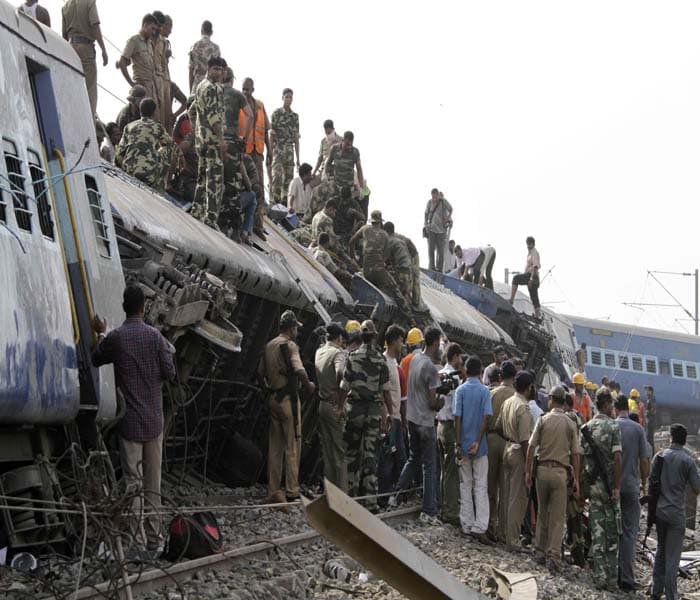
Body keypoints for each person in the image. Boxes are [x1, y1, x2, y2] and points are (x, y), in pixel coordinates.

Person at [91, 285, 176, 555]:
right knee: (153, 483)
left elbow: (96, 358)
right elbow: (170, 372)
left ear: (124, 306)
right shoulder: (156, 338)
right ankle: (154, 539)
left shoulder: (116, 338)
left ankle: (136, 543)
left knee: (133, 484)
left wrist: (100, 333)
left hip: (130, 424)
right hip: (154, 421)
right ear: (142, 308)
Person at [258, 310, 315, 504]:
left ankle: (273, 489)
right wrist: (309, 385)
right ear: (291, 328)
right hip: (288, 400)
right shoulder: (290, 346)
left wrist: (269, 391)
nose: (297, 330)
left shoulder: (268, 345)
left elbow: (260, 373)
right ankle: (291, 490)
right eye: (296, 327)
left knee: (275, 447)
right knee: (292, 446)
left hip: (273, 398)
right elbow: (299, 369)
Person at [525, 386, 581, 572]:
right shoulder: (570, 423)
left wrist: (528, 472)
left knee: (542, 513)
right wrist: (577, 479)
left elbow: (531, 447)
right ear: (563, 401)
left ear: (550, 399)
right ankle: (553, 556)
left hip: (541, 471)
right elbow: (576, 454)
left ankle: (539, 551)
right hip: (560, 472)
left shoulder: (543, 420)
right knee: (557, 518)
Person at [341, 320, 392, 512]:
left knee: (351, 454)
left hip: (354, 411)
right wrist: (390, 413)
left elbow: (344, 386)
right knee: (370, 455)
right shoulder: (380, 360)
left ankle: (350, 497)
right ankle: (370, 501)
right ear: (375, 336)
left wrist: (339, 407)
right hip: (372, 412)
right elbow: (385, 391)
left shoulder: (352, 357)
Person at [393, 327, 442, 523]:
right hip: (425, 422)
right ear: (436, 343)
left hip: (412, 419)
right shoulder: (430, 367)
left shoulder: (414, 361)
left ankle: (394, 496)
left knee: (413, 458)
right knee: (429, 466)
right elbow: (432, 402)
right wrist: (442, 401)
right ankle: (429, 510)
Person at [650, 423, 700, 600]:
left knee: (660, 550)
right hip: (676, 514)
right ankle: (671, 595)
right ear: (685, 440)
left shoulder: (659, 457)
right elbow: (697, 488)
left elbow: (651, 484)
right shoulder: (687, 461)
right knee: (673, 557)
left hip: (660, 512)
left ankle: (656, 591)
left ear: (671, 437)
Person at [582, 387, 622, 592]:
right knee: (613, 534)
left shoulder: (588, 426)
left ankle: (599, 577)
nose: (613, 408)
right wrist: (616, 487)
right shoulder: (613, 427)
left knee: (597, 532)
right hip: (608, 488)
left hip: (593, 486)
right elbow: (616, 459)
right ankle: (612, 580)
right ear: (606, 405)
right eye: (612, 405)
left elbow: (582, 458)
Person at [349, 210, 415, 325]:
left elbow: (351, 242)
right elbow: (384, 257)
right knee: (396, 291)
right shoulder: (385, 235)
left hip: (365, 269)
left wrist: (353, 259)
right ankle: (411, 320)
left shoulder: (364, 229)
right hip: (378, 271)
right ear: (380, 222)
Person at [454, 356, 492, 543]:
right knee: (481, 486)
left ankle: (466, 524)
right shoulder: (485, 392)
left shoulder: (460, 391)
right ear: (479, 372)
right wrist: (477, 441)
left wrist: (458, 443)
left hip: (463, 442)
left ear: (466, 371)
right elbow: (486, 417)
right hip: (480, 446)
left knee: (465, 485)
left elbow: (457, 418)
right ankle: (480, 526)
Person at [614, 394, 650, 591]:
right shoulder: (637, 429)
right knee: (629, 532)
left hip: (610, 487)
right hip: (630, 486)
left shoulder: (610, 426)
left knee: (611, 530)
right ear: (628, 408)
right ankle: (626, 578)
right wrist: (644, 483)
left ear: (614, 408)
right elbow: (644, 460)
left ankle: (609, 573)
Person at [497, 370, 535, 551]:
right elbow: (526, 440)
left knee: (504, 495)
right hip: (519, 452)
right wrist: (530, 467)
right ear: (528, 388)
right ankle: (512, 540)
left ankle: (502, 533)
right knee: (516, 498)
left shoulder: (508, 402)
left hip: (507, 448)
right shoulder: (523, 408)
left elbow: (498, 426)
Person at [314, 323, 348, 492]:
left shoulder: (319, 351)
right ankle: (342, 495)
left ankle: (329, 492)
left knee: (327, 451)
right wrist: (341, 402)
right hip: (334, 405)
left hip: (322, 404)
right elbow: (341, 373)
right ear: (339, 337)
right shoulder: (337, 353)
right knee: (339, 452)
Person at [193, 57, 226, 228]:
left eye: (221, 70)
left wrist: (198, 131)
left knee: (202, 177)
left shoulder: (200, 86)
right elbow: (214, 118)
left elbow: (192, 110)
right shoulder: (213, 88)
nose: (218, 73)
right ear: (208, 68)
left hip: (202, 139)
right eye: (215, 69)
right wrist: (221, 140)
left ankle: (197, 210)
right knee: (214, 179)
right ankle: (211, 218)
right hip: (212, 140)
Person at [115, 98, 176, 190]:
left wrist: (118, 168)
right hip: (149, 174)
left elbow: (120, 151)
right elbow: (170, 145)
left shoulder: (129, 126)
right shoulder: (158, 127)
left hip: (129, 170)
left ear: (140, 111)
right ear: (154, 113)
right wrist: (158, 156)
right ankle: (162, 183)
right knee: (170, 147)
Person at [486, 359, 516, 541]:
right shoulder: (516, 397)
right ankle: (503, 531)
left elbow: (485, 417)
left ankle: (489, 524)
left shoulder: (492, 393)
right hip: (508, 443)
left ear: (500, 376)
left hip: (490, 439)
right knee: (505, 490)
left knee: (489, 486)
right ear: (514, 377)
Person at [378, 325, 408, 502]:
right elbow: (382, 393)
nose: (402, 344)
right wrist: (386, 416)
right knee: (388, 458)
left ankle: (395, 494)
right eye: (401, 340)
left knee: (399, 457)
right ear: (394, 341)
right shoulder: (384, 363)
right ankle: (384, 496)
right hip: (389, 418)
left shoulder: (394, 363)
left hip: (396, 417)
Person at [239, 78, 271, 240]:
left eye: (248, 89)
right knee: (243, 183)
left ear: (253, 89)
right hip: (244, 150)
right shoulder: (239, 104)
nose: (245, 92)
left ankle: (258, 225)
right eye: (243, 89)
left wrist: (270, 151)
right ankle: (243, 221)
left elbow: (265, 130)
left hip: (257, 152)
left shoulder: (259, 106)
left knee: (258, 188)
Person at [436, 343, 464, 526]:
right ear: (454, 357)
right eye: (460, 357)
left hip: (439, 425)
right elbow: (456, 411)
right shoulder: (452, 379)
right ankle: (451, 512)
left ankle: (442, 505)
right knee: (451, 471)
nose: (461, 361)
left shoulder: (440, 374)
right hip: (449, 427)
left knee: (444, 470)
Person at [118, 15, 160, 123]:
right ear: (145, 26)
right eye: (152, 29)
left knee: (151, 120)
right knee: (138, 119)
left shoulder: (150, 44)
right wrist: (132, 83)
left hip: (151, 87)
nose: (154, 32)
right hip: (140, 88)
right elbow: (122, 62)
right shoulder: (134, 41)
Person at [270, 89, 300, 206]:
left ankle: (283, 205)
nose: (288, 99)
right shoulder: (276, 114)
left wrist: (298, 158)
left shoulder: (295, 117)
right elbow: (272, 135)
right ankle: (274, 202)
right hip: (278, 149)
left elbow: (296, 138)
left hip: (289, 150)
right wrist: (270, 153)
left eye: (290, 97)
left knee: (288, 180)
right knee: (276, 177)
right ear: (282, 98)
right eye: (286, 97)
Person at [509, 236, 542, 319]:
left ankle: (511, 300)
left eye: (528, 244)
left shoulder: (534, 252)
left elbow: (535, 266)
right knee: (533, 295)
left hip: (532, 276)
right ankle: (538, 314)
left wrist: (531, 279)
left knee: (516, 279)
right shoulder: (530, 253)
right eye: (527, 244)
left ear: (532, 244)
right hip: (531, 276)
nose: (527, 246)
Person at [424, 188, 453, 272]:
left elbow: (451, 209)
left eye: (435, 196)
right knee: (431, 250)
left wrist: (447, 219)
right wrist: (426, 224)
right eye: (433, 197)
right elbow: (426, 213)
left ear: (438, 195)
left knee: (440, 251)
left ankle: (439, 269)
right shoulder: (429, 202)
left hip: (441, 231)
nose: (434, 199)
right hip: (432, 230)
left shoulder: (443, 202)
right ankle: (432, 267)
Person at [383, 222, 413, 301]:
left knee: (388, 289)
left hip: (401, 273)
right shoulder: (400, 241)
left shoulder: (390, 241)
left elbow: (383, 260)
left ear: (386, 231)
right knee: (404, 294)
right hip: (408, 273)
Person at [189, 20, 220, 93]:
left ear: (201, 31)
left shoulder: (194, 47)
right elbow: (219, 72)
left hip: (197, 85)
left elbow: (191, 70)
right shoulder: (216, 48)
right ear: (211, 32)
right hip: (211, 86)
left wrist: (191, 91)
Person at [645, 385, 657, 451]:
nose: (646, 392)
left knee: (650, 438)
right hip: (649, 420)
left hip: (651, 420)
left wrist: (647, 413)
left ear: (650, 391)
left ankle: (652, 453)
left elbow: (653, 409)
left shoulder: (652, 398)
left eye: (647, 390)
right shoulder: (649, 398)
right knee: (648, 437)